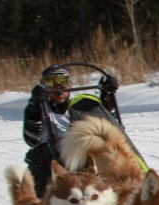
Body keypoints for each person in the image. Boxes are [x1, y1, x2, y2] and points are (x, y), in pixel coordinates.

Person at [23, 65, 120, 197]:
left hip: (80, 155)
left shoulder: (80, 106)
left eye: (63, 81)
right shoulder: (40, 109)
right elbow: (32, 140)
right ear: (44, 86)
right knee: (42, 153)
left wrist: (107, 96)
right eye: (52, 82)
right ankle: (44, 200)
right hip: (50, 159)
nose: (58, 87)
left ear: (70, 84)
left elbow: (109, 129)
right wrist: (33, 107)